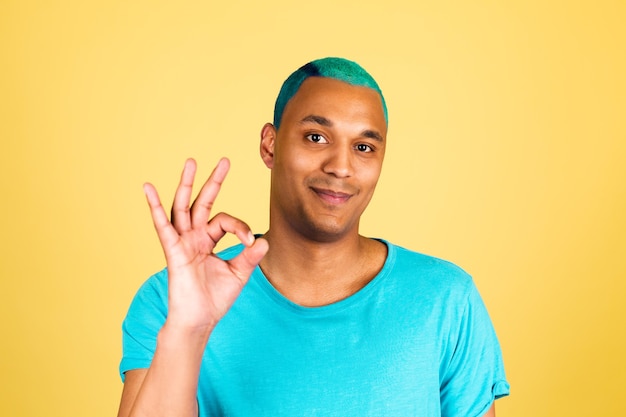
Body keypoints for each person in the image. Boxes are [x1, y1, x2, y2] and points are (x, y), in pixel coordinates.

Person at [117, 57, 510, 417]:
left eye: (363, 147)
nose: (341, 166)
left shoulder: (445, 300)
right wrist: (187, 330)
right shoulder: (170, 300)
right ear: (270, 144)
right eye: (316, 138)